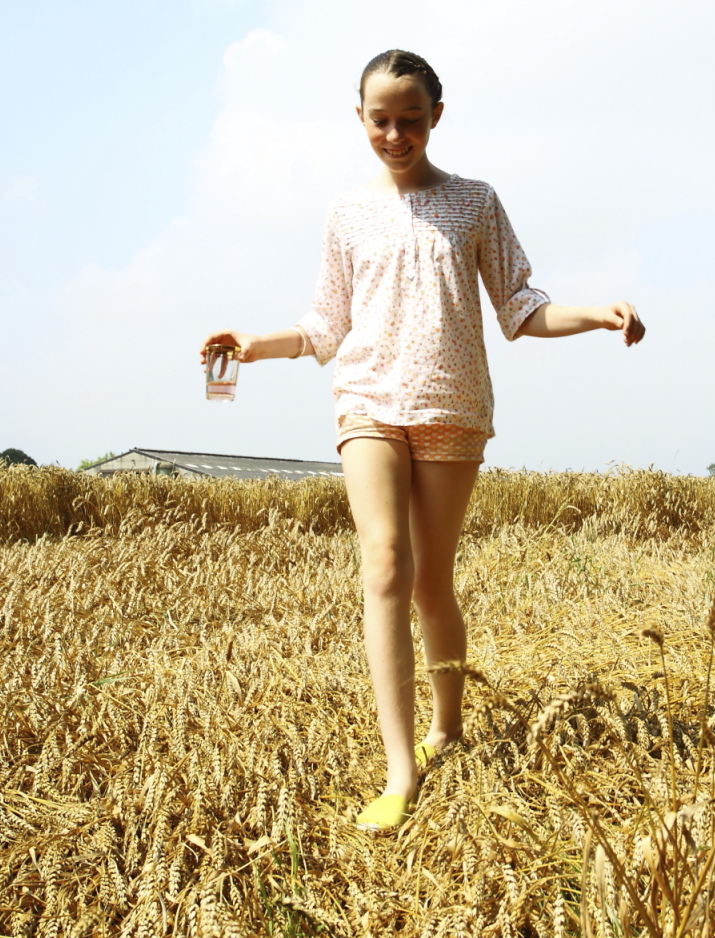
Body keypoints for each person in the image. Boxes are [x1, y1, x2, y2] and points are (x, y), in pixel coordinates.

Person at [200, 49, 645, 833]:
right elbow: (325, 325)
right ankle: (400, 770)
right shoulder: (345, 213)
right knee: (385, 566)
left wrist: (595, 316)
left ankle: (449, 726)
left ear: (437, 116)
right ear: (361, 119)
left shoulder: (474, 202)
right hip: (368, 400)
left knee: (432, 579)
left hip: (452, 404)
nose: (396, 133)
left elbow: (520, 307)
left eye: (411, 118)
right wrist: (252, 340)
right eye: (381, 119)